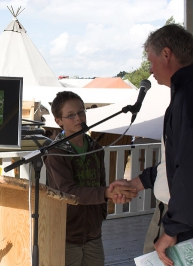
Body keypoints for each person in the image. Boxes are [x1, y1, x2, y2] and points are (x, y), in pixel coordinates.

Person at [116, 24, 193, 266]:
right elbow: (180, 161)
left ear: (166, 54)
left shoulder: (190, 99)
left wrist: (172, 228)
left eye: (151, 59)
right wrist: (139, 182)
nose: (150, 69)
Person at [44, 91, 138, 266]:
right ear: (58, 121)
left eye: (81, 112)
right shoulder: (55, 152)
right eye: (70, 115)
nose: (78, 118)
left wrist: (101, 211)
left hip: (94, 232)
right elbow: (68, 191)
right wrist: (107, 193)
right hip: (66, 234)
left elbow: (101, 182)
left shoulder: (96, 147)